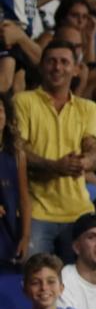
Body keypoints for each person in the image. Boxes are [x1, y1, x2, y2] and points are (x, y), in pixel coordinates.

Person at [13, 41, 96, 257]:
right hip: (36, 212)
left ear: (75, 69)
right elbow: (18, 151)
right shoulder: (23, 101)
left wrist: (84, 162)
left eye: (64, 62)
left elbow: (94, 152)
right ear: (41, 66)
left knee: (86, 280)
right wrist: (54, 166)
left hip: (80, 211)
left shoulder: (88, 108)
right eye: (51, 61)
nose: (57, 67)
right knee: (34, 279)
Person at [0, 95, 30, 269]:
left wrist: (25, 237)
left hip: (8, 230)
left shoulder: (17, 154)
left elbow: (24, 199)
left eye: (0, 110)